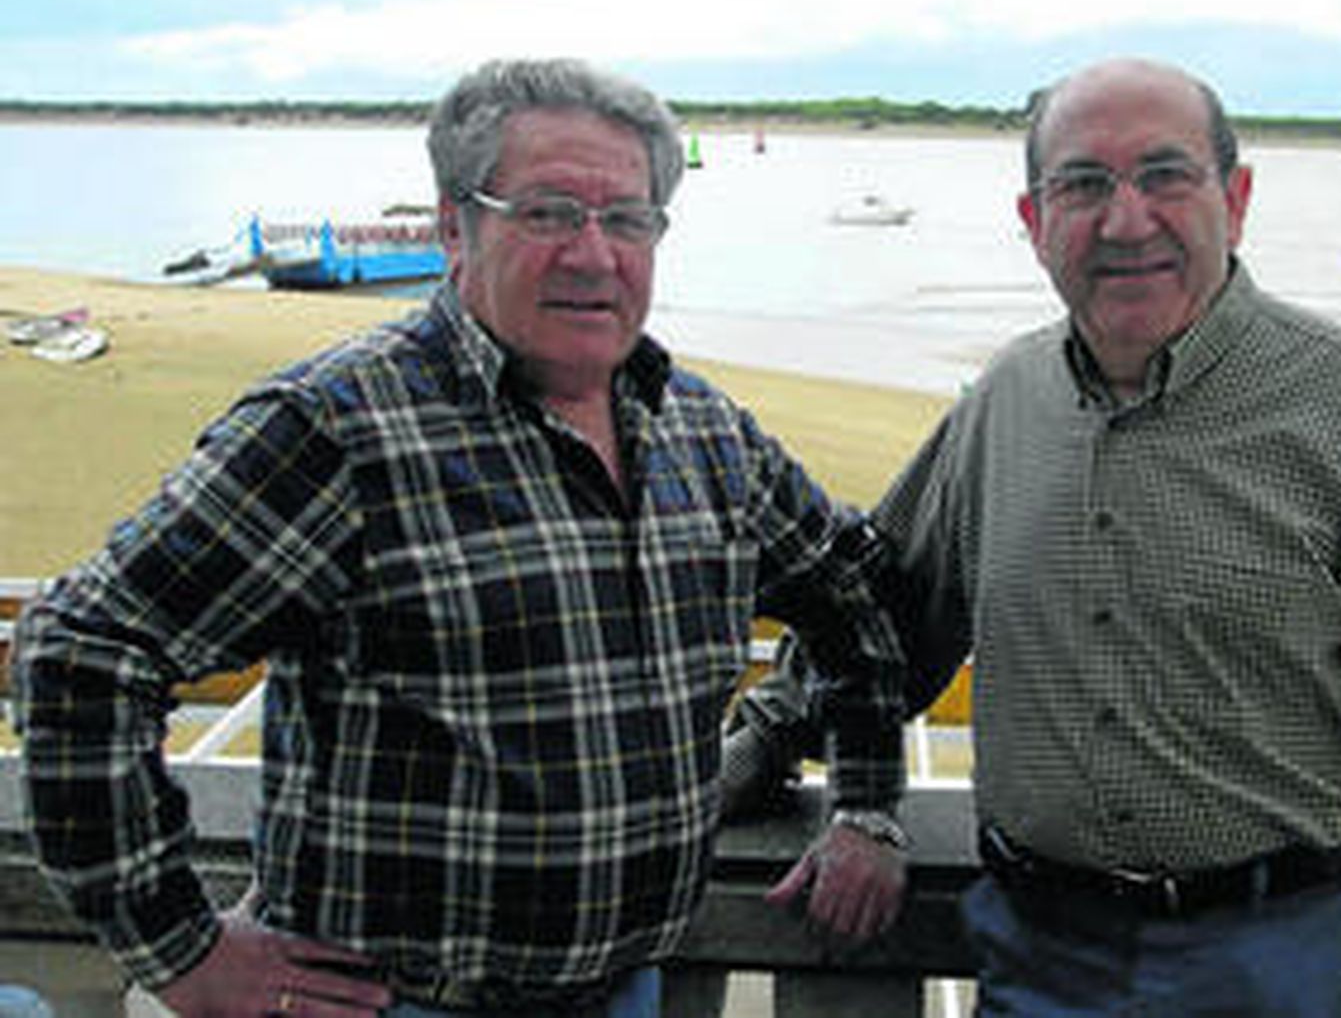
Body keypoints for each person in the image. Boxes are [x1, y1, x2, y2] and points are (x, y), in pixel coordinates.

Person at [11, 58, 909, 1018]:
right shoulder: (339, 430)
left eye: (628, 218)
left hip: (630, 987)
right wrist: (177, 946)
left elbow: (854, 595)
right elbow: (84, 651)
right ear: (453, 225)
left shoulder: (706, 433)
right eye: (550, 211)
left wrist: (863, 803)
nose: (594, 252)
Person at [731, 57, 1341, 1015]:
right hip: (1042, 958)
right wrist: (763, 744)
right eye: (1083, 185)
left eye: (1166, 176)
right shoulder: (1008, 401)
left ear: (1236, 199)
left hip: (1293, 961)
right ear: (1035, 224)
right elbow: (885, 612)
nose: (1127, 221)